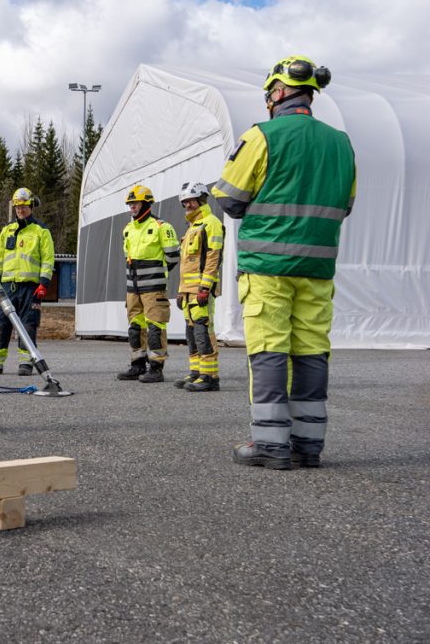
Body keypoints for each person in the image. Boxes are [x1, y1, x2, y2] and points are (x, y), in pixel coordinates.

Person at [214, 55, 355, 470]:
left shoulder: (262, 136)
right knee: (312, 351)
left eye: (269, 94)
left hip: (268, 267)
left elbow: (229, 198)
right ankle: (308, 446)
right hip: (317, 271)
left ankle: (271, 446)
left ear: (278, 93)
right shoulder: (342, 144)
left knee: (269, 352)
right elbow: (344, 206)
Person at [0, 187, 55, 376]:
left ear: (31, 206)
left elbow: (48, 259)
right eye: (18, 206)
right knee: (0, 322)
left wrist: (44, 282)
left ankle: (26, 363)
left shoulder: (41, 231)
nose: (20, 209)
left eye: (24, 206)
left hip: (31, 287)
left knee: (28, 324)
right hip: (8, 286)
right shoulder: (6, 231)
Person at [116, 184, 179, 383]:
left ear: (147, 203)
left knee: (155, 328)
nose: (132, 207)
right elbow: (128, 257)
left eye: (135, 203)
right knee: (135, 327)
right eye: (130, 204)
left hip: (153, 288)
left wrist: (158, 275)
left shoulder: (162, 226)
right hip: (133, 288)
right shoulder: (128, 230)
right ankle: (137, 364)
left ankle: (156, 368)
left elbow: (173, 257)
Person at [174, 181, 224, 392]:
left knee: (203, 332)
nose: (187, 205)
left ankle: (210, 376)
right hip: (188, 292)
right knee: (192, 334)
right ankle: (196, 372)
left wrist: (205, 288)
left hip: (201, 291)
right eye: (185, 202)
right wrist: (180, 291)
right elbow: (187, 265)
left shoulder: (211, 223)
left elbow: (213, 258)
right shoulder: (191, 228)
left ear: (201, 199)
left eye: (191, 201)